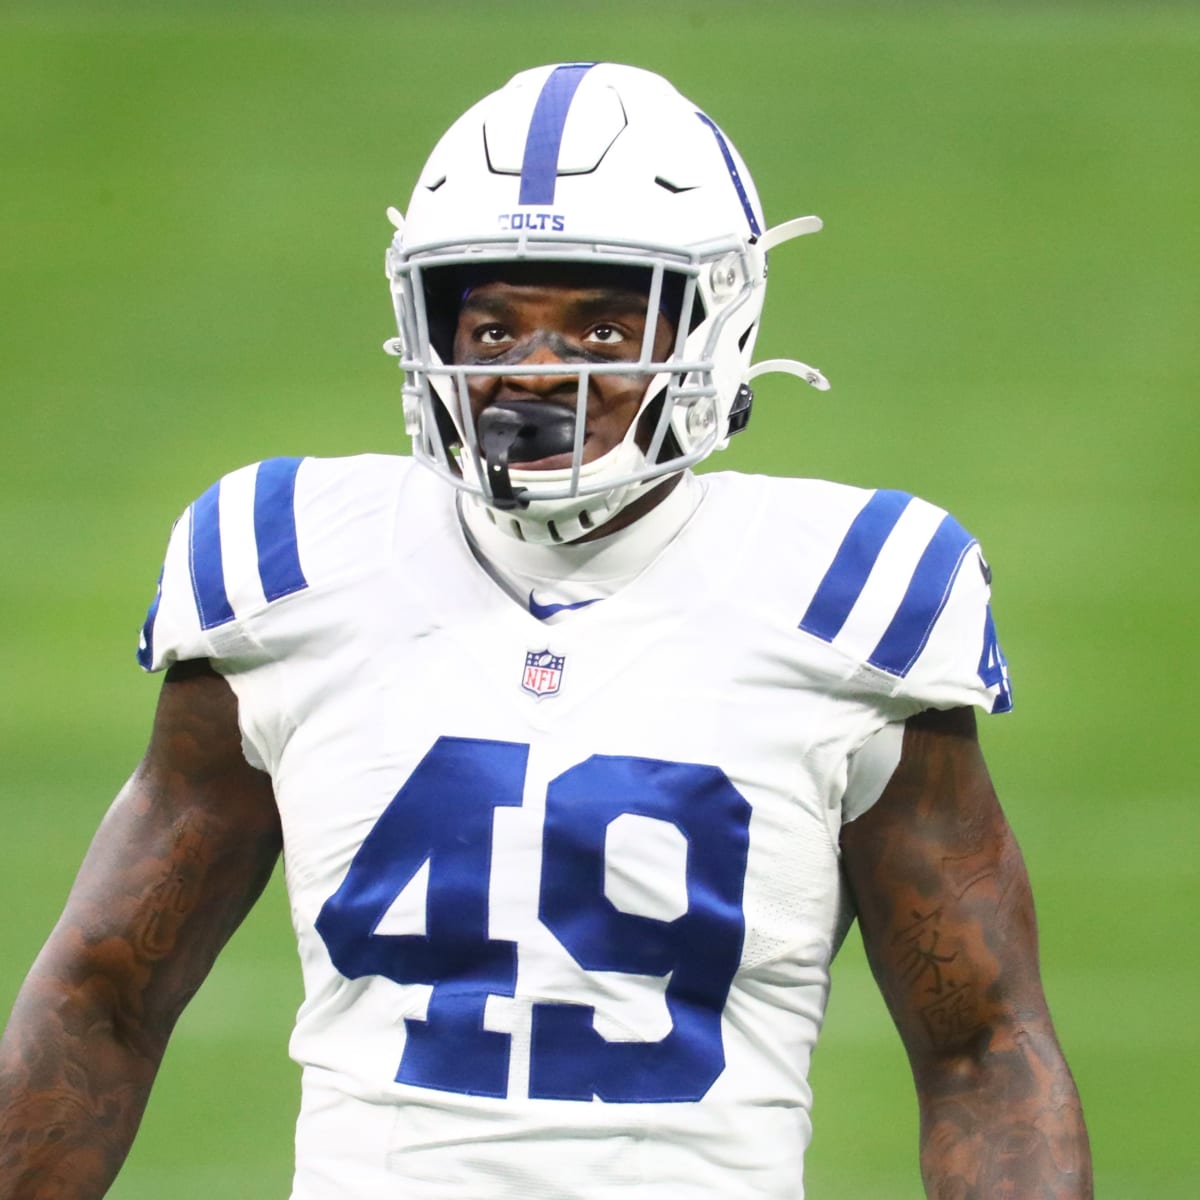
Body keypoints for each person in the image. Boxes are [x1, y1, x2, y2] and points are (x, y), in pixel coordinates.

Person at [0, 62, 1091, 1199]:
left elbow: (982, 1048)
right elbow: (104, 993)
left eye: (605, 328)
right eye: (492, 322)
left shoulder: (855, 596)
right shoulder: (284, 568)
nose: (534, 370)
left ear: (712, 324)